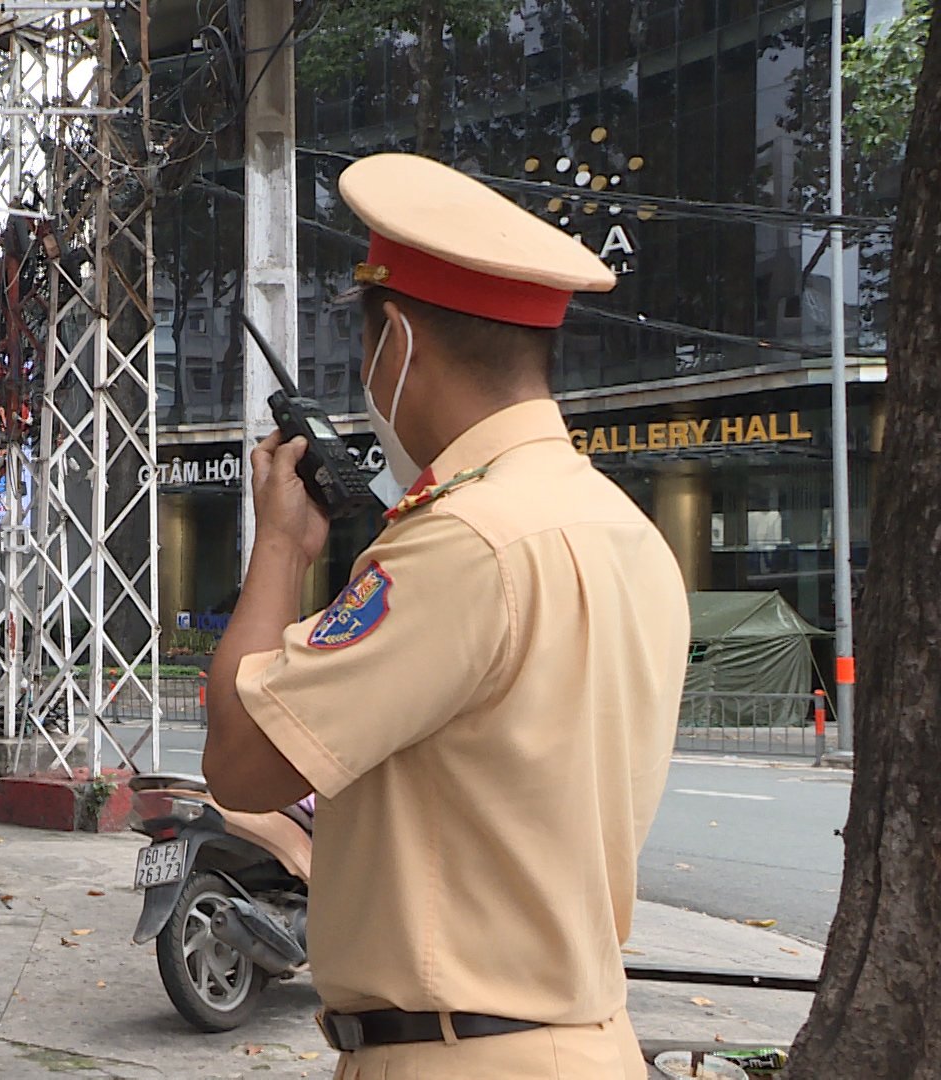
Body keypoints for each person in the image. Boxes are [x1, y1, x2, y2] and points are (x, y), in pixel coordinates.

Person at [202, 153, 690, 1079]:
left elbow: (242, 764)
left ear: (399, 344)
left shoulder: (464, 539)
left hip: (455, 1054)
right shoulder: (629, 534)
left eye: (366, 348)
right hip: (584, 1044)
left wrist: (279, 551)